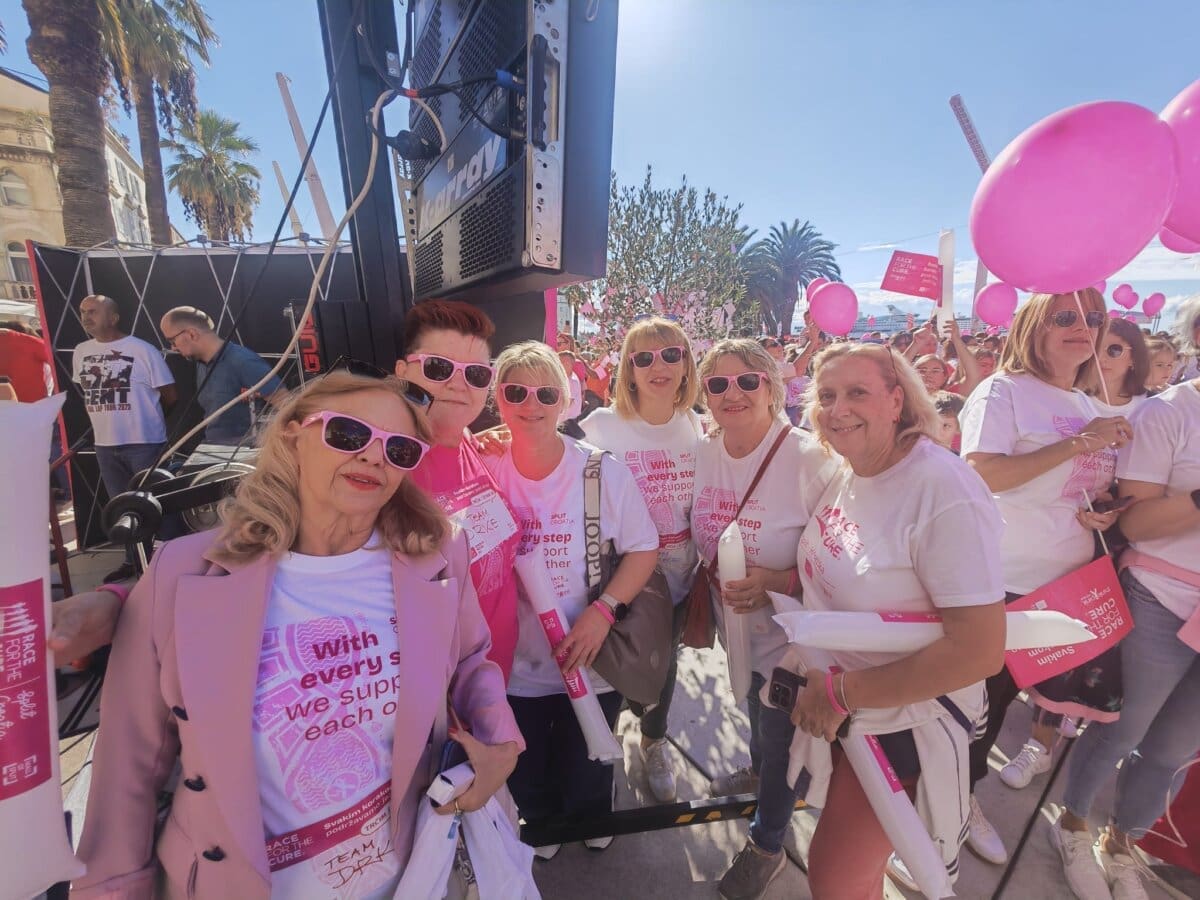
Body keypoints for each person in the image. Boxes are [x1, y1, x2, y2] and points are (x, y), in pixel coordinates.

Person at [71, 370, 522, 898]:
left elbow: (469, 658)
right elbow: (127, 763)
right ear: (293, 434)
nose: (373, 457)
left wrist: (500, 742)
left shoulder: (438, 553)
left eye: (398, 449)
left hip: (405, 876)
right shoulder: (182, 572)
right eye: (348, 434)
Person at [787, 341, 1006, 899]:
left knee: (834, 877)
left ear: (897, 400)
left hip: (904, 719)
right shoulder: (853, 467)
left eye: (857, 393)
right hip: (847, 707)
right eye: (827, 396)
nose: (838, 410)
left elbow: (979, 650)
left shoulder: (943, 489)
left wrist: (841, 692)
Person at [959, 288, 1132, 864]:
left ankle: (954, 801)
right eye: (1066, 317)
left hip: (1064, 590)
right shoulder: (1003, 391)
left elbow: (1077, 489)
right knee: (973, 714)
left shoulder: (1086, 403)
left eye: (1094, 318)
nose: (1084, 327)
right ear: (1034, 325)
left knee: (1007, 709)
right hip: (1001, 582)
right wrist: (1078, 443)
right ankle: (943, 815)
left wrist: (1104, 508)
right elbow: (982, 473)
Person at [484, 340, 659, 858]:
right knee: (528, 764)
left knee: (588, 760)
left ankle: (591, 815)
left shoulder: (601, 470)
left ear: (565, 400)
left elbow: (643, 547)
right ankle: (544, 824)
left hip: (590, 654)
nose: (531, 404)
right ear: (498, 398)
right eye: (516, 392)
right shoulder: (484, 469)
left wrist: (603, 612)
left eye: (545, 393)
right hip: (513, 662)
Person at [690, 338, 838, 900]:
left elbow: (844, 562)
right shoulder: (704, 451)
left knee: (780, 743)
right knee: (752, 710)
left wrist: (779, 581)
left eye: (747, 381)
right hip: (736, 630)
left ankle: (767, 844)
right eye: (718, 384)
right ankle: (757, 771)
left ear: (772, 388)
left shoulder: (810, 459)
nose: (733, 393)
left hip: (790, 643)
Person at [1052, 345, 1200, 900]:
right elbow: (1135, 523)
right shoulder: (1169, 412)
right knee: (1120, 728)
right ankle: (1071, 824)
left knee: (1173, 750)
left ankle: (1121, 844)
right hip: (1160, 595)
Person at [580, 315, 703, 803]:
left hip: (678, 574)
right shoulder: (601, 426)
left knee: (663, 666)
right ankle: (602, 751)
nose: (659, 366)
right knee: (610, 667)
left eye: (671, 354)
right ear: (628, 370)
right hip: (619, 575)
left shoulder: (694, 425)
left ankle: (653, 741)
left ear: (686, 364)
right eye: (644, 357)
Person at [395, 299, 521, 680]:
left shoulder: (466, 440)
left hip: (500, 678)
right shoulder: (388, 469)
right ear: (402, 372)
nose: (458, 384)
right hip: (449, 691)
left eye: (477, 374)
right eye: (438, 367)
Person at [72, 294, 177, 581]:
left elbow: (170, 394)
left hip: (145, 443)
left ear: (114, 317)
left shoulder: (142, 350)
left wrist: (148, 421)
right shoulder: (81, 351)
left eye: (93, 311)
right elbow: (89, 392)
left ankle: (168, 561)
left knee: (158, 503)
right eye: (83, 311)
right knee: (122, 507)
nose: (86, 317)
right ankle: (133, 561)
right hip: (105, 445)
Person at [160, 306, 286, 446]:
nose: (173, 348)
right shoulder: (201, 364)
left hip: (244, 451)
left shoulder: (242, 361)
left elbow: (286, 403)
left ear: (192, 334)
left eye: (172, 341)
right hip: (215, 448)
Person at [1088, 317, 1151, 416]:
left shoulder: (1149, 404)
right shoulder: (1072, 396)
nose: (1100, 358)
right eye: (1096, 348)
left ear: (1134, 357)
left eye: (1114, 350)